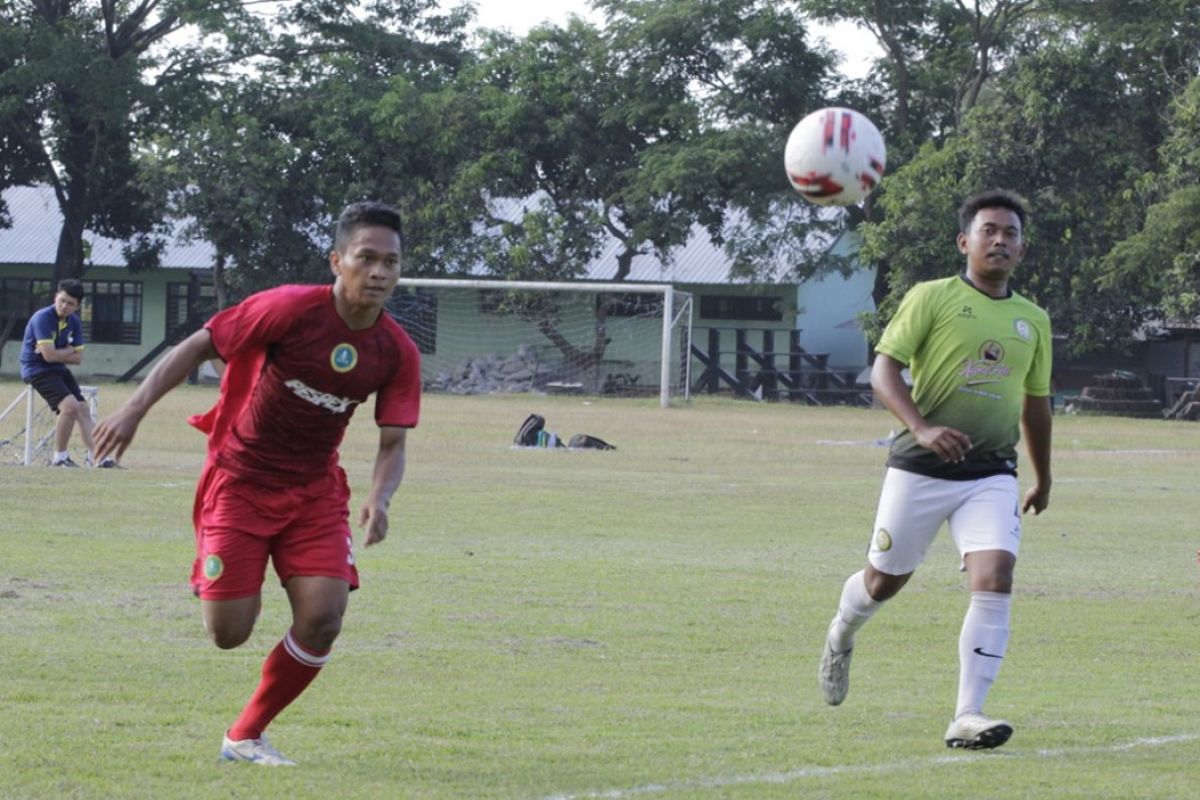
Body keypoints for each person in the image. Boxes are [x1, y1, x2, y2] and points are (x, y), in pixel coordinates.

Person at [94, 201, 421, 766]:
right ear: (337, 261)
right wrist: (133, 410)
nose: (380, 272)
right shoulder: (289, 309)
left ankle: (245, 735)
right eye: (366, 258)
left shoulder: (396, 351)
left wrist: (379, 498)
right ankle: (221, 570)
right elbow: (200, 343)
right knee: (228, 634)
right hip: (241, 481)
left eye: (390, 262)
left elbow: (393, 442)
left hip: (314, 492)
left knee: (323, 619)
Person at [817, 188, 1053, 750]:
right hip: (919, 469)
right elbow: (883, 373)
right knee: (883, 583)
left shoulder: (1033, 319)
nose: (1000, 239)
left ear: (1022, 249)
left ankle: (967, 714)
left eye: (1011, 233)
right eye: (989, 230)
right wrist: (921, 427)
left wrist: (1043, 476)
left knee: (995, 576)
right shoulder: (931, 298)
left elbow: (1036, 402)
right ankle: (841, 633)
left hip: (991, 473)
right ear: (964, 241)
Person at [19, 278, 118, 467]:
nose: (64, 306)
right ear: (55, 297)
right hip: (36, 369)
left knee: (82, 409)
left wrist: (59, 353)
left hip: (58, 369)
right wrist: (67, 351)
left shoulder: (74, 322)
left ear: (77, 306)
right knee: (70, 407)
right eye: (61, 300)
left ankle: (101, 458)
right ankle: (60, 457)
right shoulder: (42, 318)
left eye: (70, 303)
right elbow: (48, 356)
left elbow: (78, 358)